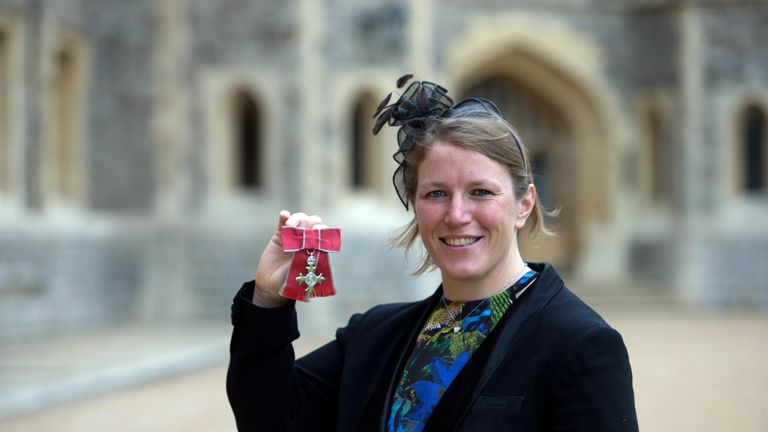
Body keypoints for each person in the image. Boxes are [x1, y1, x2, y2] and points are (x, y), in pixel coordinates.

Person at [227, 76, 639, 431]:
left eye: (480, 192)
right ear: (416, 204)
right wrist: (268, 301)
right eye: (437, 193)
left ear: (524, 204)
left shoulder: (580, 343)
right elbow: (273, 420)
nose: (457, 215)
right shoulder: (374, 335)